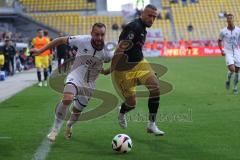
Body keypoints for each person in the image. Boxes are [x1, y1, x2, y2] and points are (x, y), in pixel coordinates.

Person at [30, 23, 112, 142]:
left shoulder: (107, 52)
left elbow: (114, 64)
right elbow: (59, 40)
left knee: (77, 111)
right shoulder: (83, 40)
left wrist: (105, 71)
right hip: (75, 76)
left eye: (102, 35)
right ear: (91, 33)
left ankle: (69, 125)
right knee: (67, 98)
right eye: (97, 34)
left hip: (89, 84)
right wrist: (40, 50)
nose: (99, 37)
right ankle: (55, 130)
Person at [109, 4, 165, 136]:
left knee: (155, 87)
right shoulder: (134, 27)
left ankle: (151, 125)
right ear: (142, 14)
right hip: (123, 69)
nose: (152, 19)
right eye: (149, 15)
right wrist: (110, 68)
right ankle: (122, 111)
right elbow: (120, 48)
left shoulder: (143, 29)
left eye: (154, 17)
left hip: (139, 63)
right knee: (132, 103)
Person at [218, 14, 240, 94]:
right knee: (232, 69)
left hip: (237, 51)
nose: (230, 19)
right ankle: (228, 80)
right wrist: (221, 50)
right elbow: (219, 41)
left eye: (231, 18)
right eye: (228, 18)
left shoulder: (238, 30)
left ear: (233, 19)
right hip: (228, 51)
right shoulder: (223, 31)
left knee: (237, 71)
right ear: (227, 20)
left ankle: (235, 87)